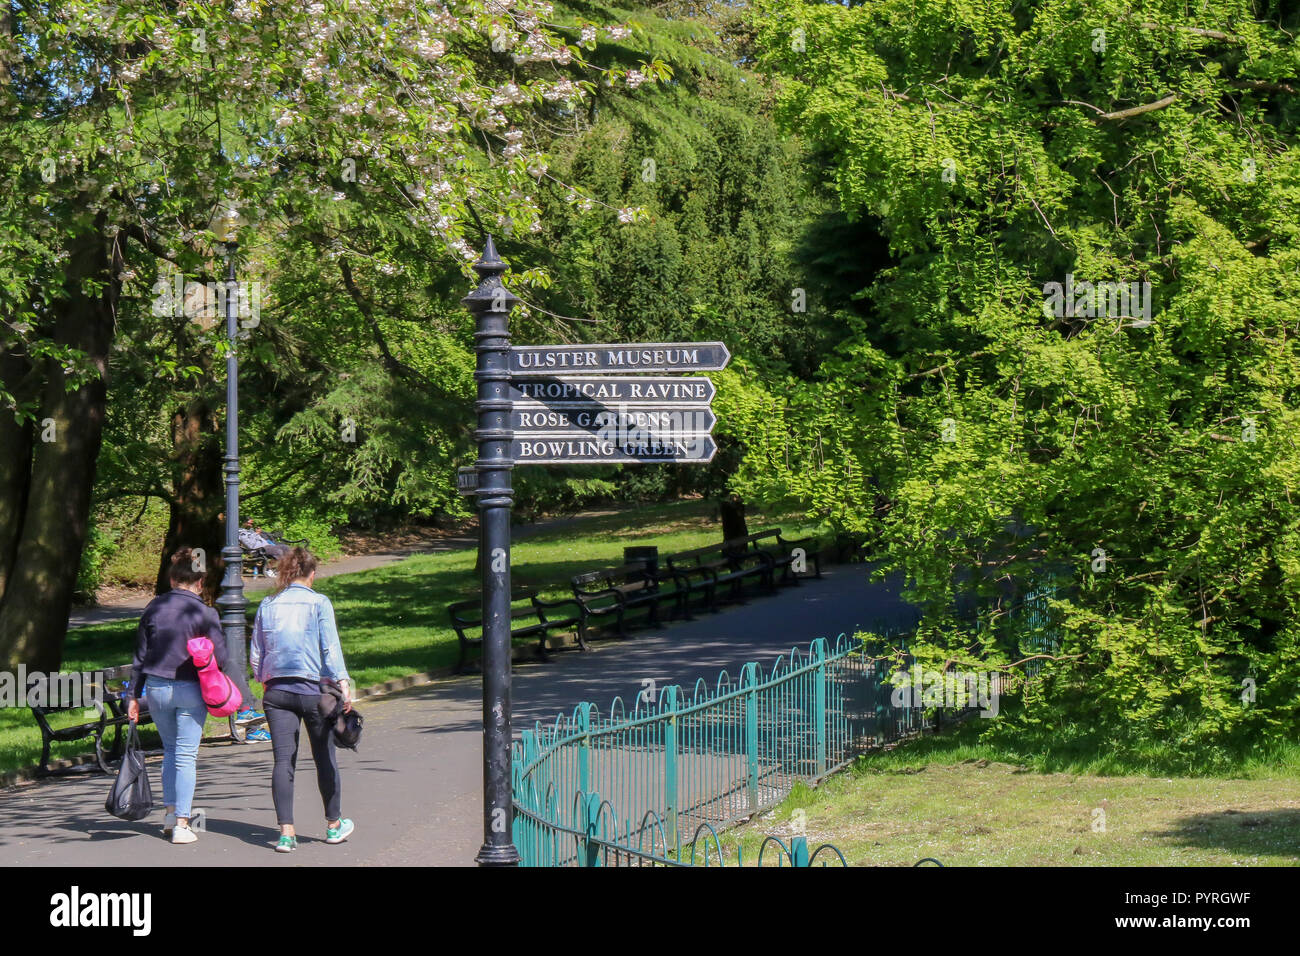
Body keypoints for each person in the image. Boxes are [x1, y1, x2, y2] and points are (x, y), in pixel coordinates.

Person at [250, 547, 355, 853]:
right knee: (325, 758)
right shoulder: (318, 602)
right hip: (313, 692)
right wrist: (343, 683)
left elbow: (257, 652)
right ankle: (334, 826)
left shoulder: (268, 604)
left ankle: (286, 833)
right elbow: (330, 647)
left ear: (286, 572)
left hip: (277, 692)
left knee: (283, 761)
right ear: (312, 574)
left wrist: (264, 678)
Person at [127, 547, 225, 845]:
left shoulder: (153, 608)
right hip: (191, 688)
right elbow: (220, 656)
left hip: (156, 688)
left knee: (170, 752)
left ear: (171, 580)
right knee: (185, 755)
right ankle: (183, 822)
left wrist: (133, 695)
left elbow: (140, 656)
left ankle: (170, 818)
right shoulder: (204, 612)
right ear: (200, 581)